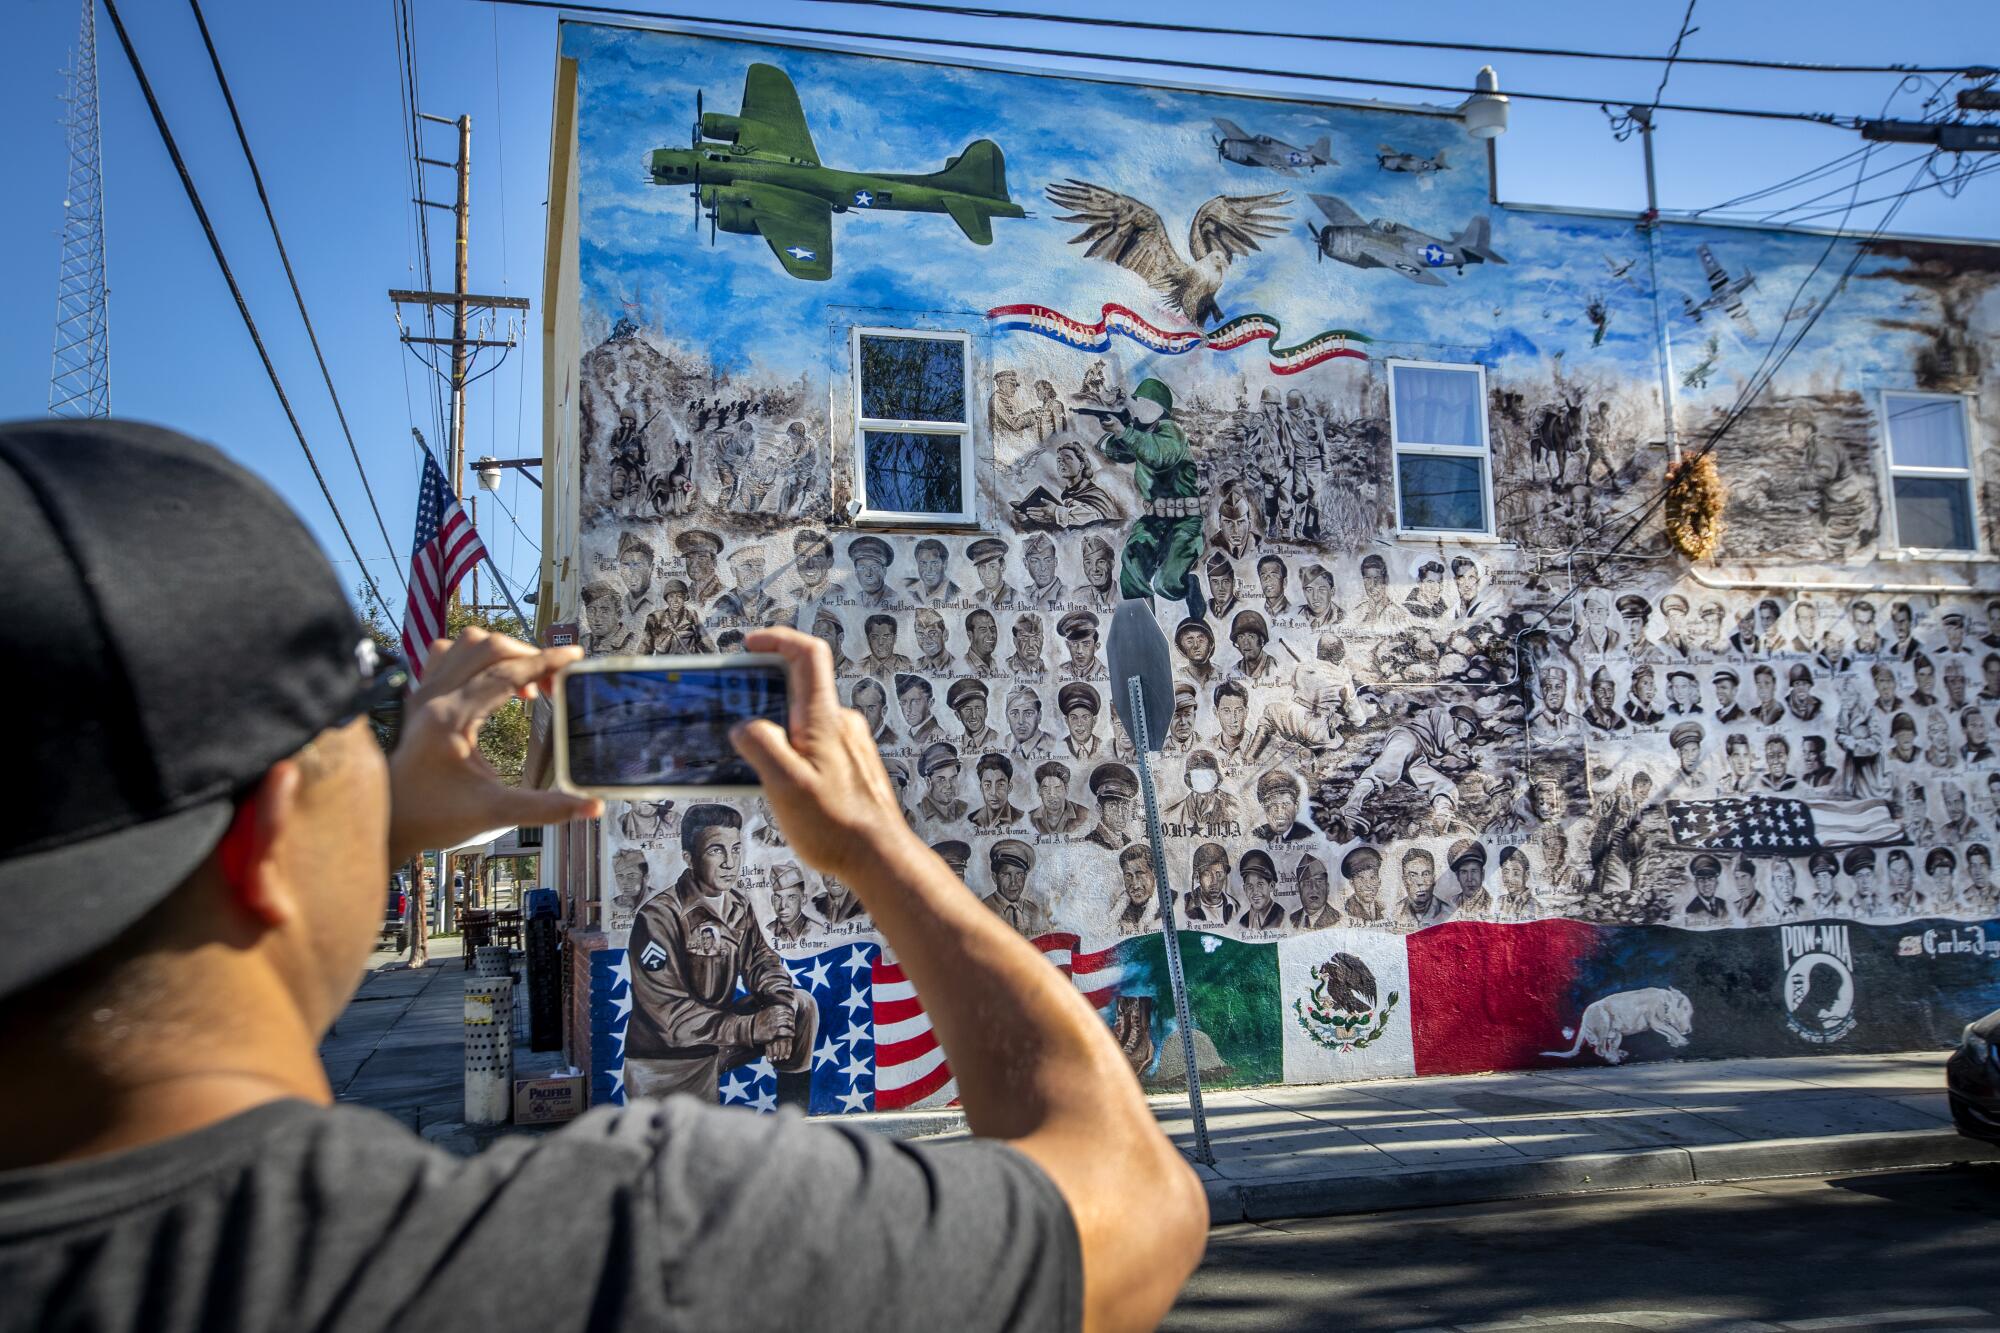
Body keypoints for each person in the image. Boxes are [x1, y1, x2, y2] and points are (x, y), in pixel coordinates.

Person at [0, 422, 1206, 1332]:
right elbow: (1134, 1197)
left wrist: (368, 826)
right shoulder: (631, 1243)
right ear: (265, 840)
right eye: (357, 737)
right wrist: (878, 849)